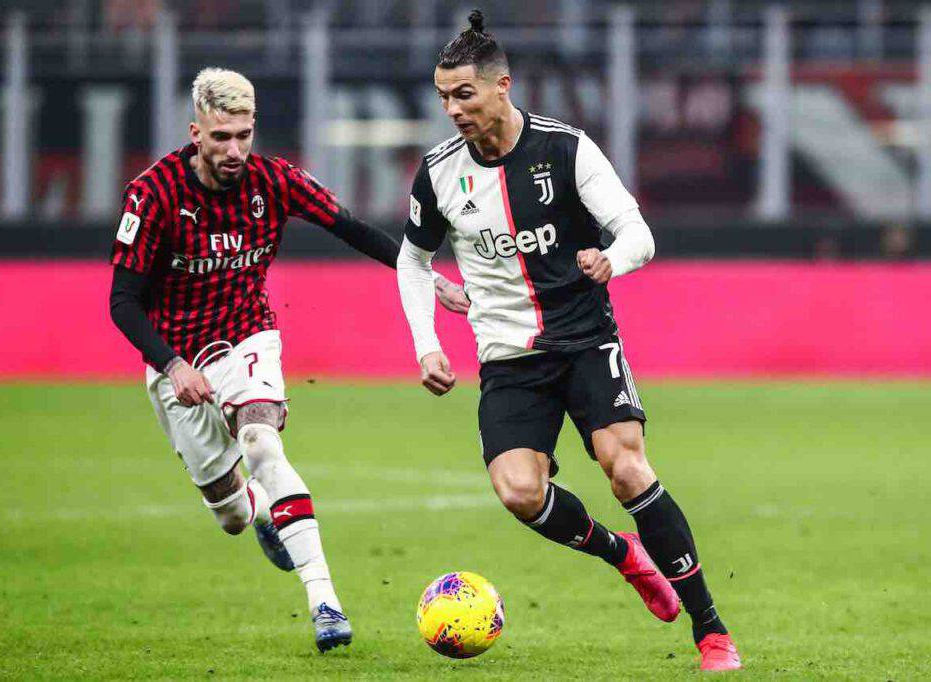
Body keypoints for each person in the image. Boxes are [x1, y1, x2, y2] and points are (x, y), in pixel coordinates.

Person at [395, 11, 741, 671]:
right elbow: (413, 259)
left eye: (464, 93)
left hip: (583, 339)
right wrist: (426, 345)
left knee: (628, 467)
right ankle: (624, 555)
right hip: (506, 355)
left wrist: (616, 261)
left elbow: (636, 229)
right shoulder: (439, 172)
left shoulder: (565, 149)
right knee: (519, 492)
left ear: (502, 85)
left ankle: (711, 629)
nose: (453, 109)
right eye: (443, 97)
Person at [108, 67, 468, 652]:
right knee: (228, 512)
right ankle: (258, 507)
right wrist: (173, 364)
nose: (234, 150)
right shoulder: (154, 194)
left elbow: (351, 228)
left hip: (249, 336)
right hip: (178, 359)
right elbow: (122, 303)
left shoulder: (273, 181)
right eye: (221, 137)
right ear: (195, 131)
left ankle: (324, 601)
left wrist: (427, 278)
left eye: (244, 135)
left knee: (260, 443)